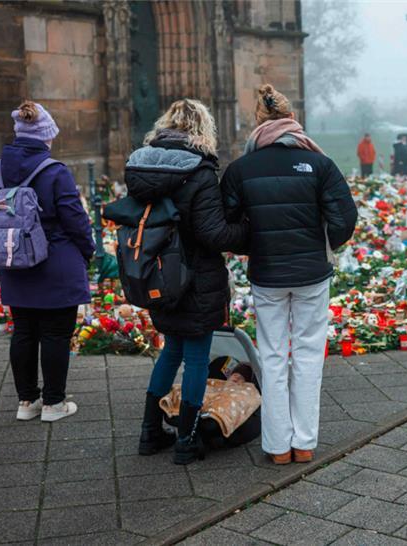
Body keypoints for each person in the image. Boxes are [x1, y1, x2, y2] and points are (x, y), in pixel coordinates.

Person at [221, 84, 358, 465]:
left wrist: (256, 243)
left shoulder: (241, 169)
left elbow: (227, 224)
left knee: (273, 356)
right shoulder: (320, 164)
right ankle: (304, 442)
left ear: (259, 123)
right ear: (292, 120)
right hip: (312, 273)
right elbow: (345, 218)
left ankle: (278, 446)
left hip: (267, 276)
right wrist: (324, 242)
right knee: (310, 356)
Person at [126, 99, 248, 464]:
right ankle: (186, 440)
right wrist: (245, 231)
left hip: (155, 274)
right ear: (201, 129)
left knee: (172, 349)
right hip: (194, 277)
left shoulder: (141, 165)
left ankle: (150, 432)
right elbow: (213, 233)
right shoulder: (200, 170)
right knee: (195, 356)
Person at [0, 101, 94, 423]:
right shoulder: (55, 171)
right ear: (45, 137)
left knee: (23, 331)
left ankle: (26, 402)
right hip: (54, 262)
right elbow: (75, 219)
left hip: (14, 260)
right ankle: (53, 404)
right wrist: (88, 250)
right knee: (55, 333)